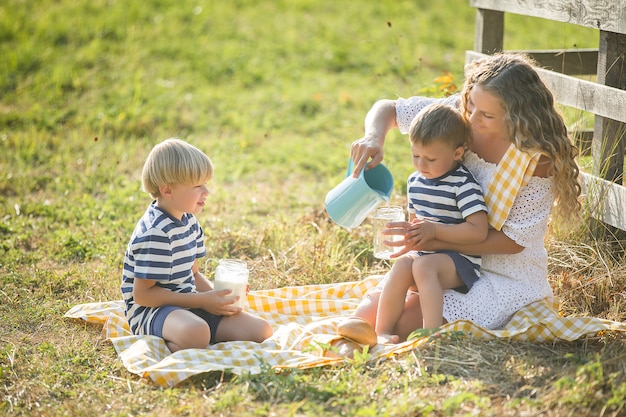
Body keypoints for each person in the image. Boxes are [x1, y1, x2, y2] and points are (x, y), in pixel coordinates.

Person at [336, 52, 581, 351]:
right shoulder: (461, 114)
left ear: (516, 116)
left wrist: (435, 237)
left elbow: (512, 242)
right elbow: (388, 109)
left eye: (487, 115)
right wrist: (374, 137)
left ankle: (388, 338)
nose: (472, 118)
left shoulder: (533, 158)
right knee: (368, 315)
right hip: (441, 258)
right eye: (471, 104)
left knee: (402, 325)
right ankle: (352, 344)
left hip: (500, 273)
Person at [121, 138, 273, 353]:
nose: (207, 191)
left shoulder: (188, 221)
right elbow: (143, 295)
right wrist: (202, 301)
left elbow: (193, 275)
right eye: (197, 186)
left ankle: (196, 337)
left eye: (206, 184)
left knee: (261, 330)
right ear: (168, 191)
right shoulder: (156, 233)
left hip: (189, 304)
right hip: (152, 311)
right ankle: (173, 345)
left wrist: (220, 298)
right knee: (197, 333)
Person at [376, 103, 488, 344]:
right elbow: (417, 221)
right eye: (415, 156)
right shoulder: (415, 181)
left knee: (423, 267)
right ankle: (382, 332)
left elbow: (478, 232)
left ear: (457, 154)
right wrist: (409, 234)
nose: (421, 165)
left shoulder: (463, 184)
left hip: (461, 261)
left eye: (430, 159)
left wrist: (434, 230)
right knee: (402, 266)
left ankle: (432, 335)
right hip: (427, 254)